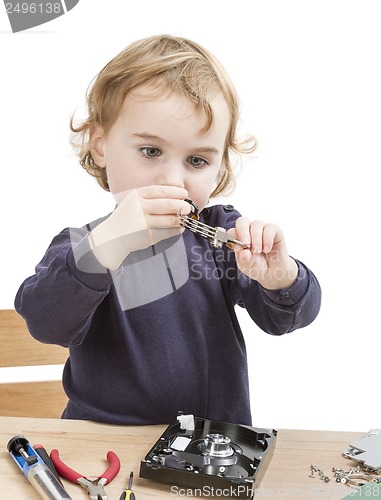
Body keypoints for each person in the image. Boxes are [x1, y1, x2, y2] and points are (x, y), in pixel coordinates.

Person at [15, 34, 321, 426]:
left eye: (196, 160)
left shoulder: (222, 237)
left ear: (220, 167)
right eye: (150, 151)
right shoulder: (80, 248)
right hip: (101, 452)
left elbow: (286, 318)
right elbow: (44, 323)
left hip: (210, 452)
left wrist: (279, 275)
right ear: (101, 144)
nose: (173, 179)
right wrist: (106, 246)